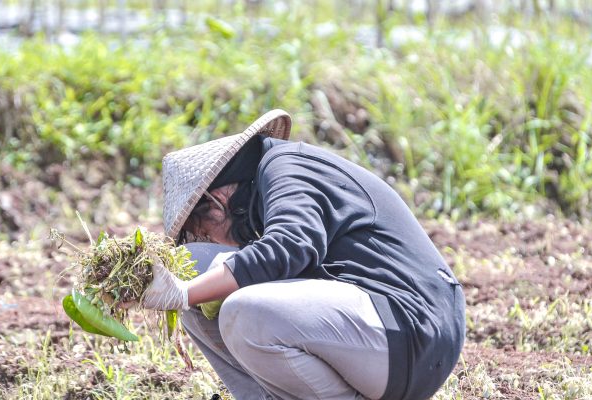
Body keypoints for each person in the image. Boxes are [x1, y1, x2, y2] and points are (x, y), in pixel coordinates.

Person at [136, 109, 465, 400]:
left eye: (204, 230)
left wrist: (184, 292)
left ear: (217, 198)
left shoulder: (286, 166)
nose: (209, 239)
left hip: (412, 330)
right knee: (192, 266)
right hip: (380, 333)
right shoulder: (267, 182)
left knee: (244, 312)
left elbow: (292, 245)